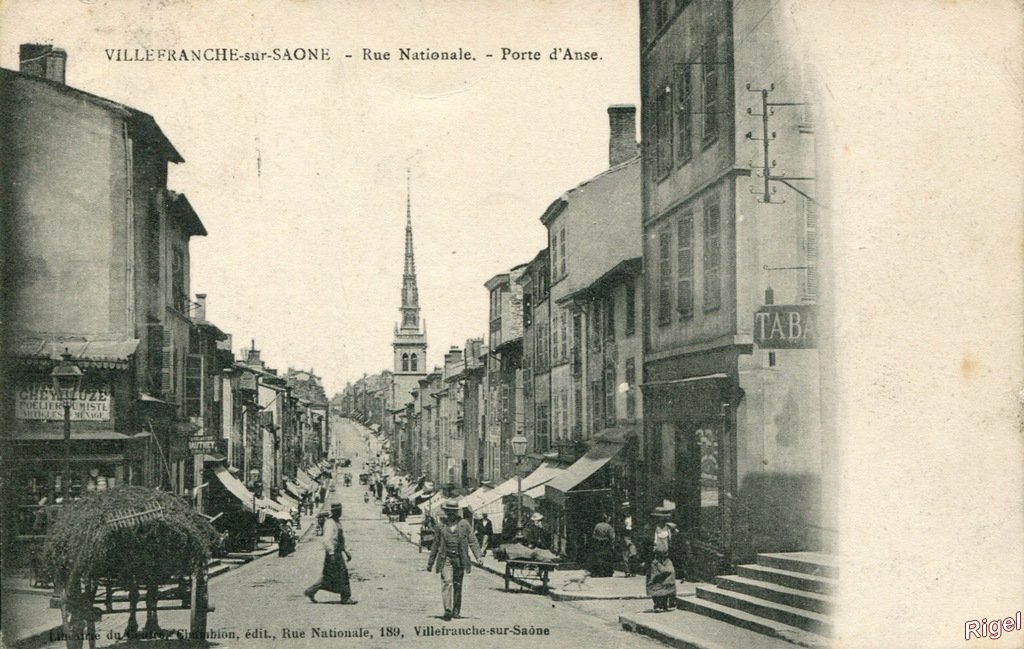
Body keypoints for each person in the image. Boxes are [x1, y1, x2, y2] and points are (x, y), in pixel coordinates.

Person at [426, 499, 482, 621]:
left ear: (456, 512)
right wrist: (430, 562)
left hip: (460, 559)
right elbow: (435, 544)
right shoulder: (440, 525)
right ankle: (447, 609)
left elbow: (472, 541)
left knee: (458, 585)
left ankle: (456, 610)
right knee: (447, 581)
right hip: (446, 558)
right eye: (448, 511)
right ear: (445, 511)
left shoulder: (465, 524)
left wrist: (478, 556)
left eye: (453, 511)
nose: (450, 514)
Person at [304, 503, 357, 605]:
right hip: (333, 554)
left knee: (330, 576)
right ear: (334, 511)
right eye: (338, 511)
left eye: (340, 510)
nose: (340, 513)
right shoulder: (330, 523)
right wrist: (331, 553)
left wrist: (346, 552)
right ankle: (345, 597)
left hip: (337, 552)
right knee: (342, 575)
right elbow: (327, 540)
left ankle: (311, 591)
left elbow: (340, 539)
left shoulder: (337, 522)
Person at [645, 507, 678, 612]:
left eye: (665, 518)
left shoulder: (670, 529)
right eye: (661, 518)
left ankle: (668, 602)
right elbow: (645, 544)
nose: (663, 520)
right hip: (655, 559)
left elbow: (677, 539)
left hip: (667, 558)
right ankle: (658, 604)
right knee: (656, 581)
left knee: (669, 579)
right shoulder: (651, 529)